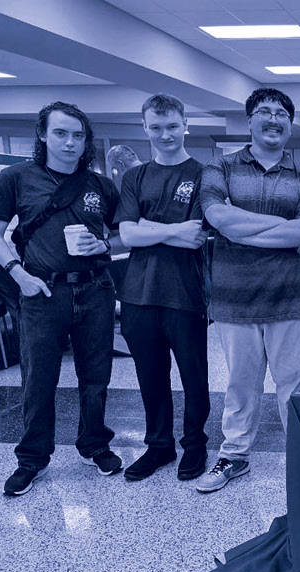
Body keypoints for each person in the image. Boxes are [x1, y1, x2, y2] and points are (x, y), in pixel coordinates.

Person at [192, 87, 300, 494]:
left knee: (294, 384)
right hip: (235, 297)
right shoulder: (219, 167)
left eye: (282, 113)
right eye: (265, 111)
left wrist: (239, 227)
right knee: (241, 383)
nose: (273, 119)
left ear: (290, 125)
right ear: (249, 120)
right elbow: (218, 217)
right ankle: (234, 455)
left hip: (293, 297)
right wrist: (284, 229)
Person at [0, 100, 127, 496]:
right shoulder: (16, 178)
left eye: (78, 135)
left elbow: (118, 234)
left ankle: (95, 444)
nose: (70, 142)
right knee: (38, 377)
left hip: (95, 289)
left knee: (96, 375)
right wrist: (19, 275)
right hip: (42, 290)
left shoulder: (100, 185)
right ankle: (32, 458)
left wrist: (103, 243)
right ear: (42, 135)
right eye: (61, 133)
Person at [114, 93, 215, 482]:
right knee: (150, 376)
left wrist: (147, 228)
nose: (165, 134)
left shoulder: (205, 174)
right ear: (145, 128)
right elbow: (127, 235)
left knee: (194, 376)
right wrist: (170, 230)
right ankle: (159, 446)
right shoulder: (134, 177)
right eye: (156, 127)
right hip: (137, 294)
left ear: (186, 124)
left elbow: (195, 235)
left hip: (184, 293)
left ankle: (194, 444)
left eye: (172, 126)